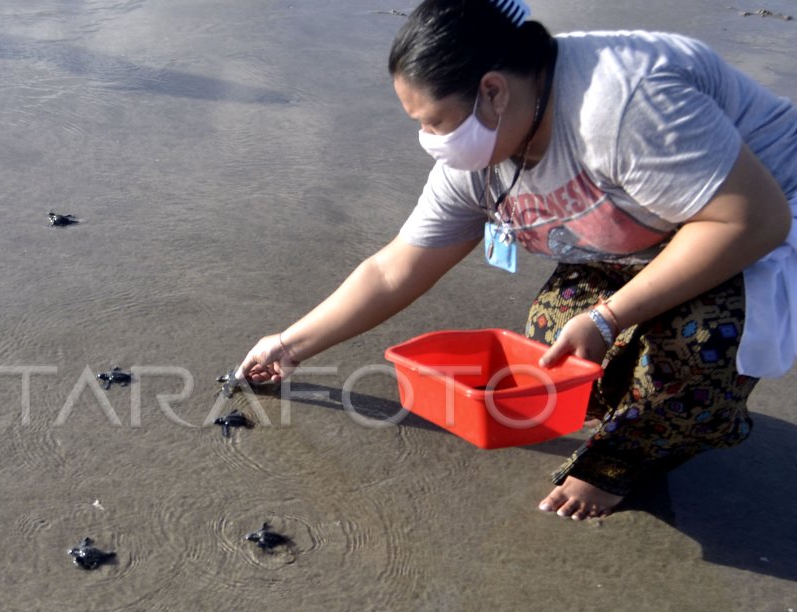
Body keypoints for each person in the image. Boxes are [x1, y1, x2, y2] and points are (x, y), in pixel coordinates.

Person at [236, 0, 797, 520]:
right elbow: (396, 268)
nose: (428, 139)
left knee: (698, 345)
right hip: (643, 236)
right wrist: (288, 345)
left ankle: (632, 457)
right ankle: (645, 404)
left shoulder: (623, 107)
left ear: (493, 91)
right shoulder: (480, 155)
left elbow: (755, 221)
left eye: (433, 121)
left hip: (759, 229)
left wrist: (608, 317)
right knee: (552, 342)